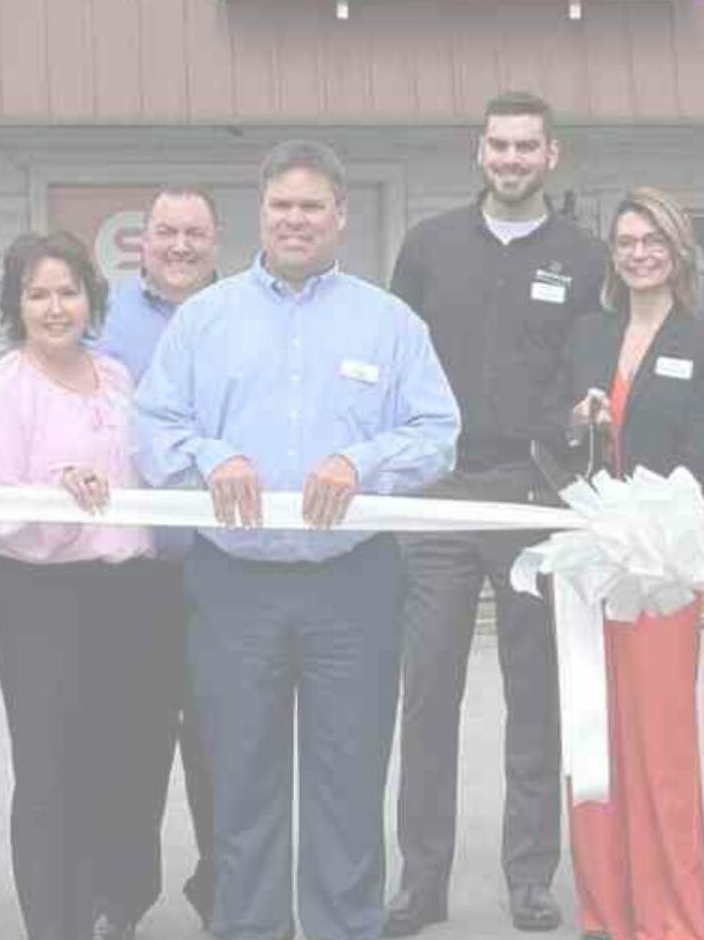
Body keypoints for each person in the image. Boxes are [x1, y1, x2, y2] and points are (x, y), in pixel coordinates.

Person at [134, 140, 461, 940]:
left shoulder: (388, 323)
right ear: (261, 213)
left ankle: (345, 926)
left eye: (312, 206)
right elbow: (152, 430)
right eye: (282, 205)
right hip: (233, 584)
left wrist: (363, 458)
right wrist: (215, 458)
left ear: (340, 217)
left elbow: (438, 432)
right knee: (241, 779)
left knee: (347, 779)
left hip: (352, 584)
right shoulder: (205, 321)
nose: (295, 220)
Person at [382, 90, 604, 938]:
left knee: (533, 696)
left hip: (532, 491)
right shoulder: (429, 246)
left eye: (527, 147)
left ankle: (530, 877)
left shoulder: (583, 257)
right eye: (499, 146)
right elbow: (397, 360)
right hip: (438, 492)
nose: (512, 159)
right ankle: (421, 882)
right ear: (479, 153)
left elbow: (591, 369)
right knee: (427, 695)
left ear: (554, 156)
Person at [0, 231, 172, 940]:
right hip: (42, 599)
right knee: (54, 771)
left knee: (126, 762)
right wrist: (54, 491)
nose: (56, 307)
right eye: (38, 294)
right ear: (16, 305)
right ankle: (56, 922)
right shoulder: (4, 387)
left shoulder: (118, 379)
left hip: (129, 596)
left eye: (68, 291)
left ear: (91, 298)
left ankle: (114, 907)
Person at [555, 188, 704, 940]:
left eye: (653, 239)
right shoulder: (588, 335)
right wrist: (575, 426)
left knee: (660, 746)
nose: (638, 253)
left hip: (660, 569)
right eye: (626, 240)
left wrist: (646, 527)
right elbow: (555, 443)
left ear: (678, 248)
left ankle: (673, 919)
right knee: (594, 735)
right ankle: (605, 910)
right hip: (590, 565)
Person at [88, 186, 225, 935]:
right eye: (166, 232)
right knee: (131, 745)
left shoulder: (242, 311)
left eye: (193, 233)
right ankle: (124, 895)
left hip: (225, 568)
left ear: (216, 240)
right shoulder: (104, 321)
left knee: (223, 743)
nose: (179, 245)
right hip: (135, 571)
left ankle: (222, 890)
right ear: (141, 242)